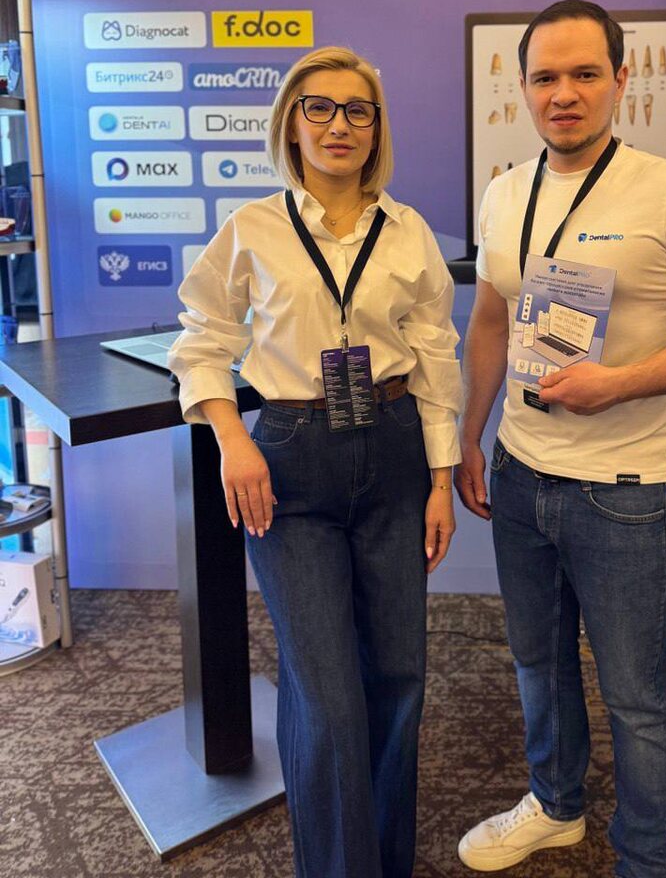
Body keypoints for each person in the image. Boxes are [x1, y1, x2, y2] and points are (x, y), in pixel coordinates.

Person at [454, 0, 666, 876]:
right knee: (538, 665)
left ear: (621, 80)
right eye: (546, 77)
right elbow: (490, 318)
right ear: (523, 88)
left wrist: (619, 383)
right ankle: (556, 806)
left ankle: (646, 857)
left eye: (585, 74)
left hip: (623, 493)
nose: (564, 94)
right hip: (520, 473)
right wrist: (470, 435)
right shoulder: (505, 191)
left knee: (637, 696)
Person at [169, 45, 462, 878]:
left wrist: (441, 481)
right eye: (320, 108)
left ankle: (386, 861)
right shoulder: (252, 229)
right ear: (291, 125)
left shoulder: (408, 233)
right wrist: (232, 440)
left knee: (399, 676)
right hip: (289, 466)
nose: (339, 125)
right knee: (328, 697)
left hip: (395, 454)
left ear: (377, 128)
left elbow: (436, 359)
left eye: (357, 110)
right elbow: (201, 341)